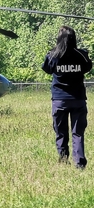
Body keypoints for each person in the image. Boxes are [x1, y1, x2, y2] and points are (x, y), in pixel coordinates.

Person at [42, 26, 92, 169]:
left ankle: (63, 160)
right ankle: (80, 163)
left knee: (61, 132)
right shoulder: (81, 55)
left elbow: (46, 69)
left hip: (59, 100)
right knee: (78, 133)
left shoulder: (52, 55)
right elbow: (88, 67)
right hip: (78, 100)